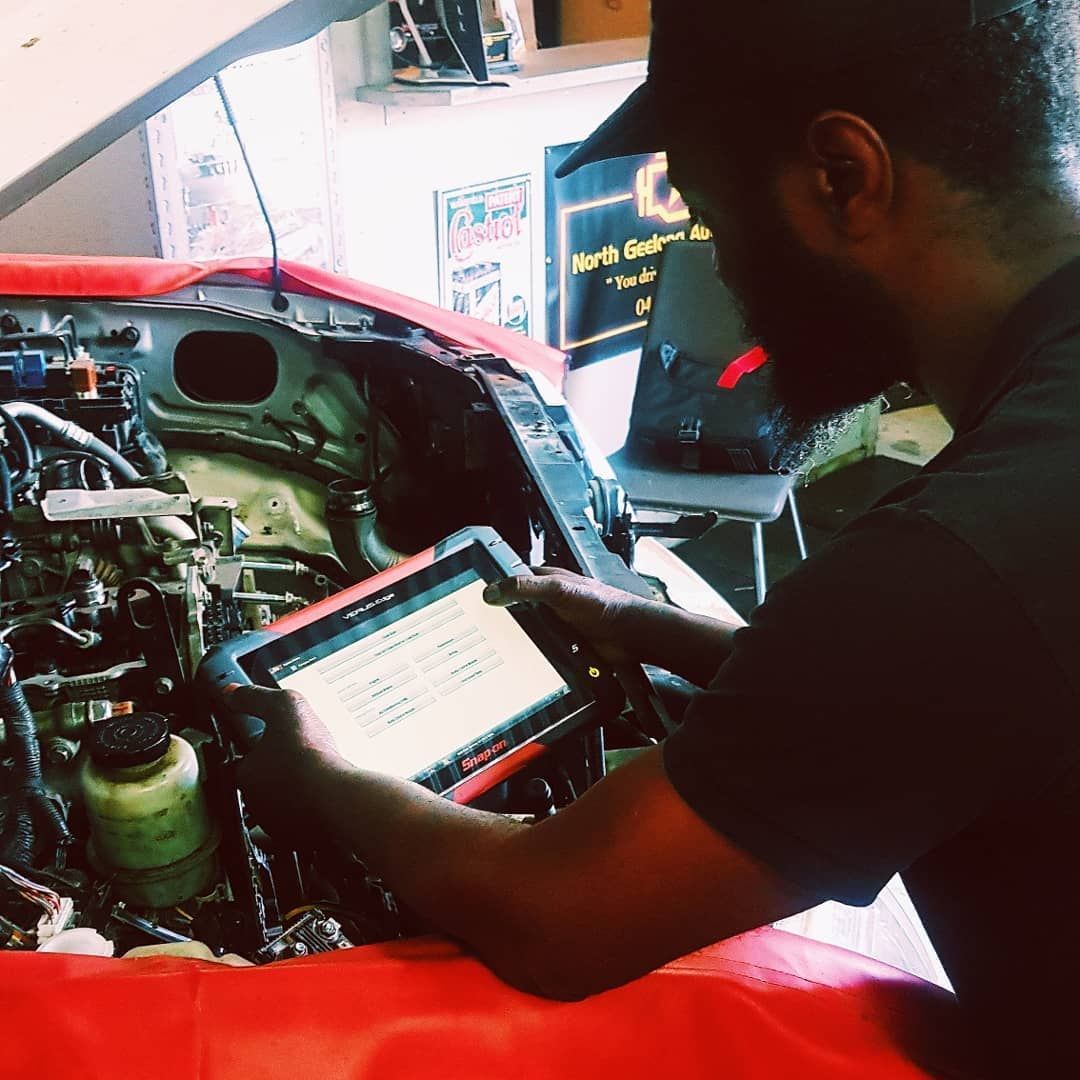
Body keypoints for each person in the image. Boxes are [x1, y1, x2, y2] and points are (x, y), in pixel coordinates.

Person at [229, 1, 1080, 1073]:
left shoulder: (957, 564)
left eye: (714, 218)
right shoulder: (1015, 515)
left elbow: (551, 918)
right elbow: (953, 704)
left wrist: (313, 765)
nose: (720, 270)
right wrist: (658, 629)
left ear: (841, 176)